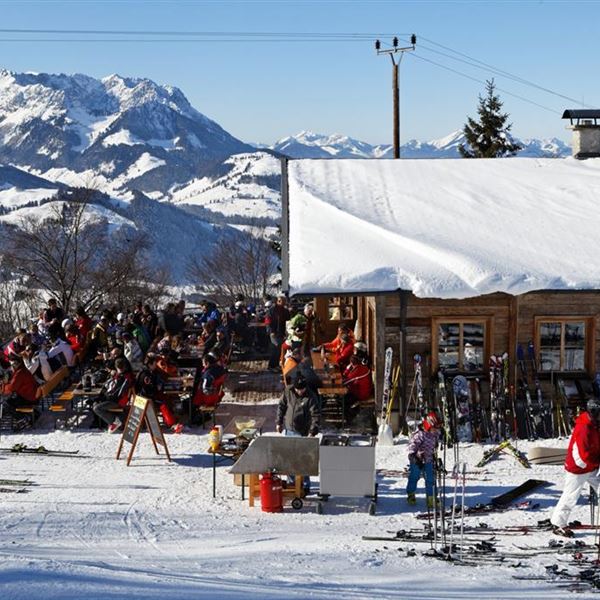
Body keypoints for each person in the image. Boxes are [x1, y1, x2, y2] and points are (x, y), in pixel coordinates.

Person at [550, 398, 600, 537]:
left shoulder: (594, 424)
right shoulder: (584, 427)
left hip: (591, 466)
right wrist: (596, 462)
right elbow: (584, 454)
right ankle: (558, 524)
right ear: (594, 412)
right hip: (578, 467)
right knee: (571, 495)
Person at [276, 372, 320, 493]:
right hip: (289, 430)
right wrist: (279, 422)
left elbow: (315, 414)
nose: (300, 392)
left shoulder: (310, 397)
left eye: (302, 389)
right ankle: (291, 482)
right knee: (290, 458)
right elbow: (281, 406)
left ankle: (305, 485)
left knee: (302, 459)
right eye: (298, 389)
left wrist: (313, 430)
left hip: (302, 432)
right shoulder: (288, 391)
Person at [135, 354, 183, 434]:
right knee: (163, 404)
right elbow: (149, 389)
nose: (156, 365)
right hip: (145, 399)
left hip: (146, 397)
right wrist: (158, 387)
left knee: (166, 399)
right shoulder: (145, 375)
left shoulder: (148, 372)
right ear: (150, 364)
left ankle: (170, 421)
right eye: (154, 363)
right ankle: (172, 424)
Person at [406, 412, 442, 508]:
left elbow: (435, 444)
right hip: (417, 460)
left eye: (437, 428)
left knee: (431, 478)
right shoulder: (420, 435)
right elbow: (412, 445)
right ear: (428, 425)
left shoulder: (435, 434)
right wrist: (413, 455)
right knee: (414, 476)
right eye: (434, 428)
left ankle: (431, 498)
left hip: (429, 460)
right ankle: (411, 493)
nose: (436, 431)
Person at [92, 357, 134, 432]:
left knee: (97, 408)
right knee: (95, 403)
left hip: (118, 401)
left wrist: (106, 397)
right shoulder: (118, 375)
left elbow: (118, 393)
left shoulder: (126, 377)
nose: (120, 369)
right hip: (113, 399)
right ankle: (108, 423)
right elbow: (109, 386)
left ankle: (115, 421)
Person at [0, 355, 40, 428]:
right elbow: (13, 385)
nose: (12, 367)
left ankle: (22, 419)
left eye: (13, 364)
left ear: (17, 364)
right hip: (32, 395)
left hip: (29, 398)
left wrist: (3, 386)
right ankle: (31, 415)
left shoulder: (20, 373)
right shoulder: (22, 370)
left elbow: (11, 388)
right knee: (9, 400)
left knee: (6, 403)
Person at [265, 295, 290, 371]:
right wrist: (271, 331)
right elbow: (267, 321)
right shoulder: (272, 310)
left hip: (281, 332)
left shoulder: (285, 311)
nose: (282, 302)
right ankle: (271, 366)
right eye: (280, 301)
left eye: (284, 301)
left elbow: (288, 321)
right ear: (277, 301)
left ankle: (276, 365)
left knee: (280, 349)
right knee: (275, 347)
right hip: (274, 332)